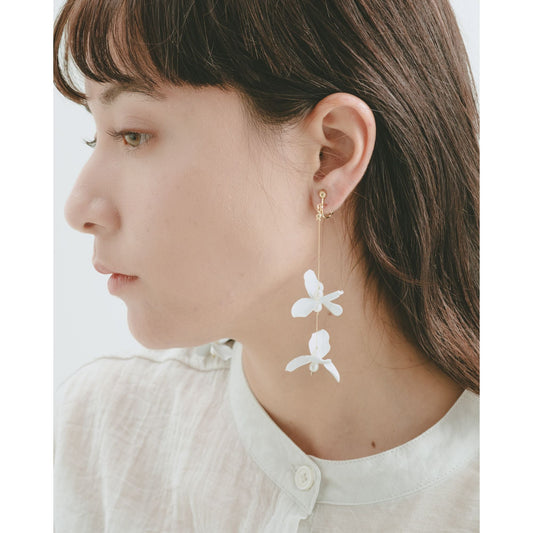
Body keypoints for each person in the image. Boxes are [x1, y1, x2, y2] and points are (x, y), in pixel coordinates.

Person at [53, 0, 479, 531]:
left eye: (132, 134)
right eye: (95, 135)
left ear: (330, 154)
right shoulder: (100, 436)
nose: (78, 208)